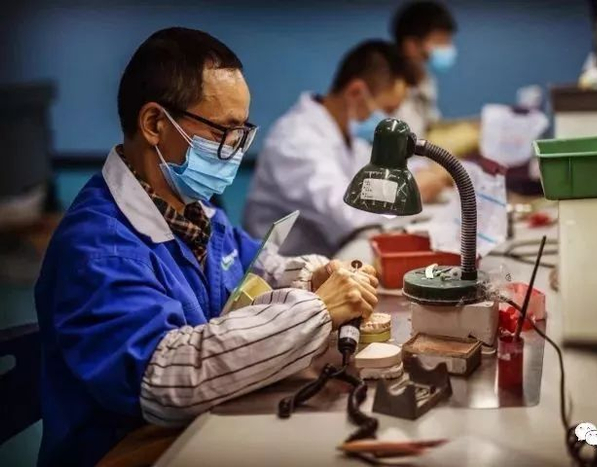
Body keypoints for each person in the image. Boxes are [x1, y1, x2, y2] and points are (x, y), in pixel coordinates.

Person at [34, 27, 378, 467]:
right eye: (224, 131)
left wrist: (316, 277)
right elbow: (167, 379)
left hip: (198, 427)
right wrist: (317, 310)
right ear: (155, 124)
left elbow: (256, 268)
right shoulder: (99, 248)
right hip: (124, 451)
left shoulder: (195, 211)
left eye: (242, 132)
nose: (235, 149)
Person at [245, 40, 446, 257]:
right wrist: (413, 189)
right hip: (281, 270)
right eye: (388, 110)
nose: (392, 120)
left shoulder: (346, 134)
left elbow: (379, 171)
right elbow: (350, 216)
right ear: (356, 92)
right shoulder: (296, 140)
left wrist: (430, 170)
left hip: (325, 259)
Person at [392, 1, 458, 139]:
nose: (448, 48)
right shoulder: (390, 87)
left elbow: (432, 126)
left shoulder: (424, 79)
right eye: (440, 41)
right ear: (411, 45)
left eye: (448, 41)